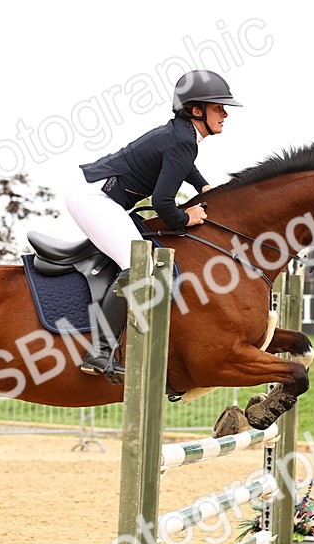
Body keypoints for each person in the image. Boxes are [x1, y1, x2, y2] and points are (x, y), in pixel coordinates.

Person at [67, 69, 240, 378]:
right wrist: (187, 217)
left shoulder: (182, 135)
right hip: (96, 200)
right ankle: (100, 352)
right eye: (218, 107)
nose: (225, 114)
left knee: (137, 261)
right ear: (196, 110)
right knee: (137, 266)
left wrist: (203, 186)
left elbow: (183, 165)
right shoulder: (184, 140)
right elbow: (162, 203)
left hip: (93, 195)